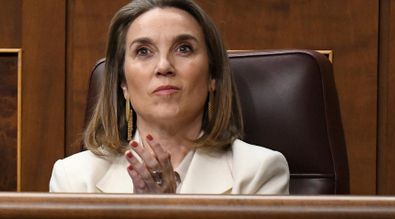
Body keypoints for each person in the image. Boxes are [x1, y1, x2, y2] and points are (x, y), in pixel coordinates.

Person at [50, 0, 288, 194]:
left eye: (183, 48)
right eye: (143, 51)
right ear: (123, 84)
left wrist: (168, 212)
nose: (164, 66)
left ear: (212, 75)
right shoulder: (75, 179)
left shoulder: (259, 172)